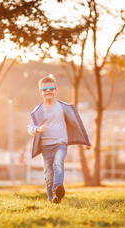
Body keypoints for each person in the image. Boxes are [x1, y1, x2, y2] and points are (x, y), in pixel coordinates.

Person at [27, 75, 91, 204]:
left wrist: (86, 140)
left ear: (56, 90)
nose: (48, 91)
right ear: (40, 92)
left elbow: (77, 124)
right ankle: (52, 199)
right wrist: (38, 129)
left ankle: (58, 188)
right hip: (46, 146)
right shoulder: (38, 110)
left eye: (51, 88)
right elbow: (30, 127)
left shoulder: (63, 107)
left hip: (60, 143)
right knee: (48, 175)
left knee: (58, 163)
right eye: (44, 89)